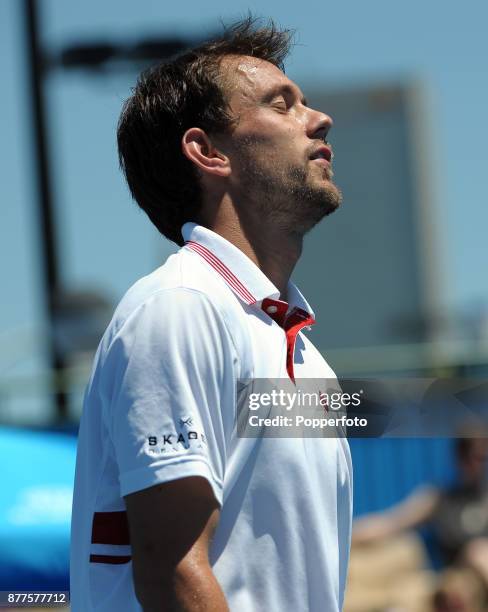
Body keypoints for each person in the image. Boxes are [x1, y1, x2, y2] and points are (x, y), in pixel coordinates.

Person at [70, 16, 352, 612]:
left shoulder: (300, 347)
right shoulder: (179, 310)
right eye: (283, 104)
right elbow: (173, 570)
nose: (319, 117)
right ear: (207, 152)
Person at [352, 434, 488, 609]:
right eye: (477, 457)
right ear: (460, 457)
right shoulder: (439, 498)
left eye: (485, 458)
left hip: (482, 587)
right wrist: (346, 537)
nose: (481, 465)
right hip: (452, 586)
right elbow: (390, 523)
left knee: (480, 551)